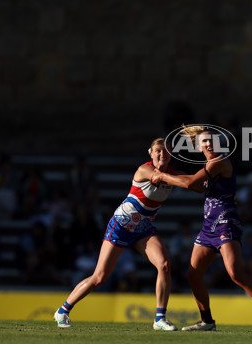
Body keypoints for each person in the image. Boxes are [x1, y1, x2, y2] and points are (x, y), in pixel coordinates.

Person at [154, 125, 252, 332]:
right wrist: (172, 173)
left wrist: (162, 176)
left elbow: (191, 183)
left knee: (235, 273)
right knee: (193, 274)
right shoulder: (208, 165)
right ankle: (207, 321)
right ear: (199, 147)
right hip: (208, 227)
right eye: (205, 141)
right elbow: (197, 185)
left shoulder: (220, 161)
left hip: (226, 223)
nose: (209, 143)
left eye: (212, 140)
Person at [54, 138, 178, 331]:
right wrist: (188, 180)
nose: (162, 154)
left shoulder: (173, 173)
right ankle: (63, 310)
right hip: (120, 225)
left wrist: (207, 179)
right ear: (150, 153)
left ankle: (160, 319)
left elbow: (189, 182)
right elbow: (165, 178)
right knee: (100, 276)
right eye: (158, 151)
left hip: (143, 228)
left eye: (166, 151)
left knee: (164, 264)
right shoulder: (144, 170)